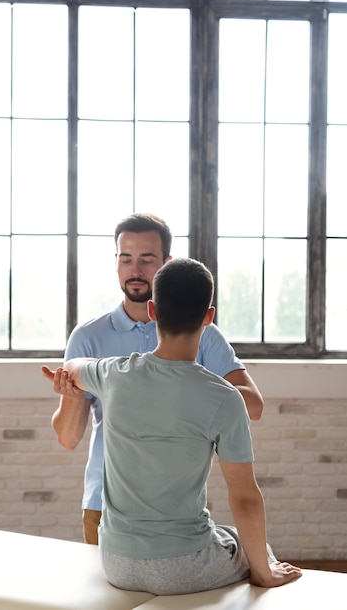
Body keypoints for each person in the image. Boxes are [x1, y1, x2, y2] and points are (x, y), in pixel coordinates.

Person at [41, 258, 302, 595]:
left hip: (116, 562)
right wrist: (263, 572)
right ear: (209, 318)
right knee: (251, 547)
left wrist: (67, 376)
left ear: (152, 310)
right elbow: (246, 498)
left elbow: (76, 366)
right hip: (185, 567)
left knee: (227, 536)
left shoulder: (112, 375)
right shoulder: (224, 398)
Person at [53, 213, 264, 545]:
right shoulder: (87, 337)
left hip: (178, 510)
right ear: (117, 263)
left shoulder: (200, 331)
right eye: (126, 259)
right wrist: (73, 394)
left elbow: (252, 404)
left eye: (146, 259)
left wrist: (186, 385)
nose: (135, 269)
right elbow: (67, 439)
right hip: (105, 505)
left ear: (167, 263)